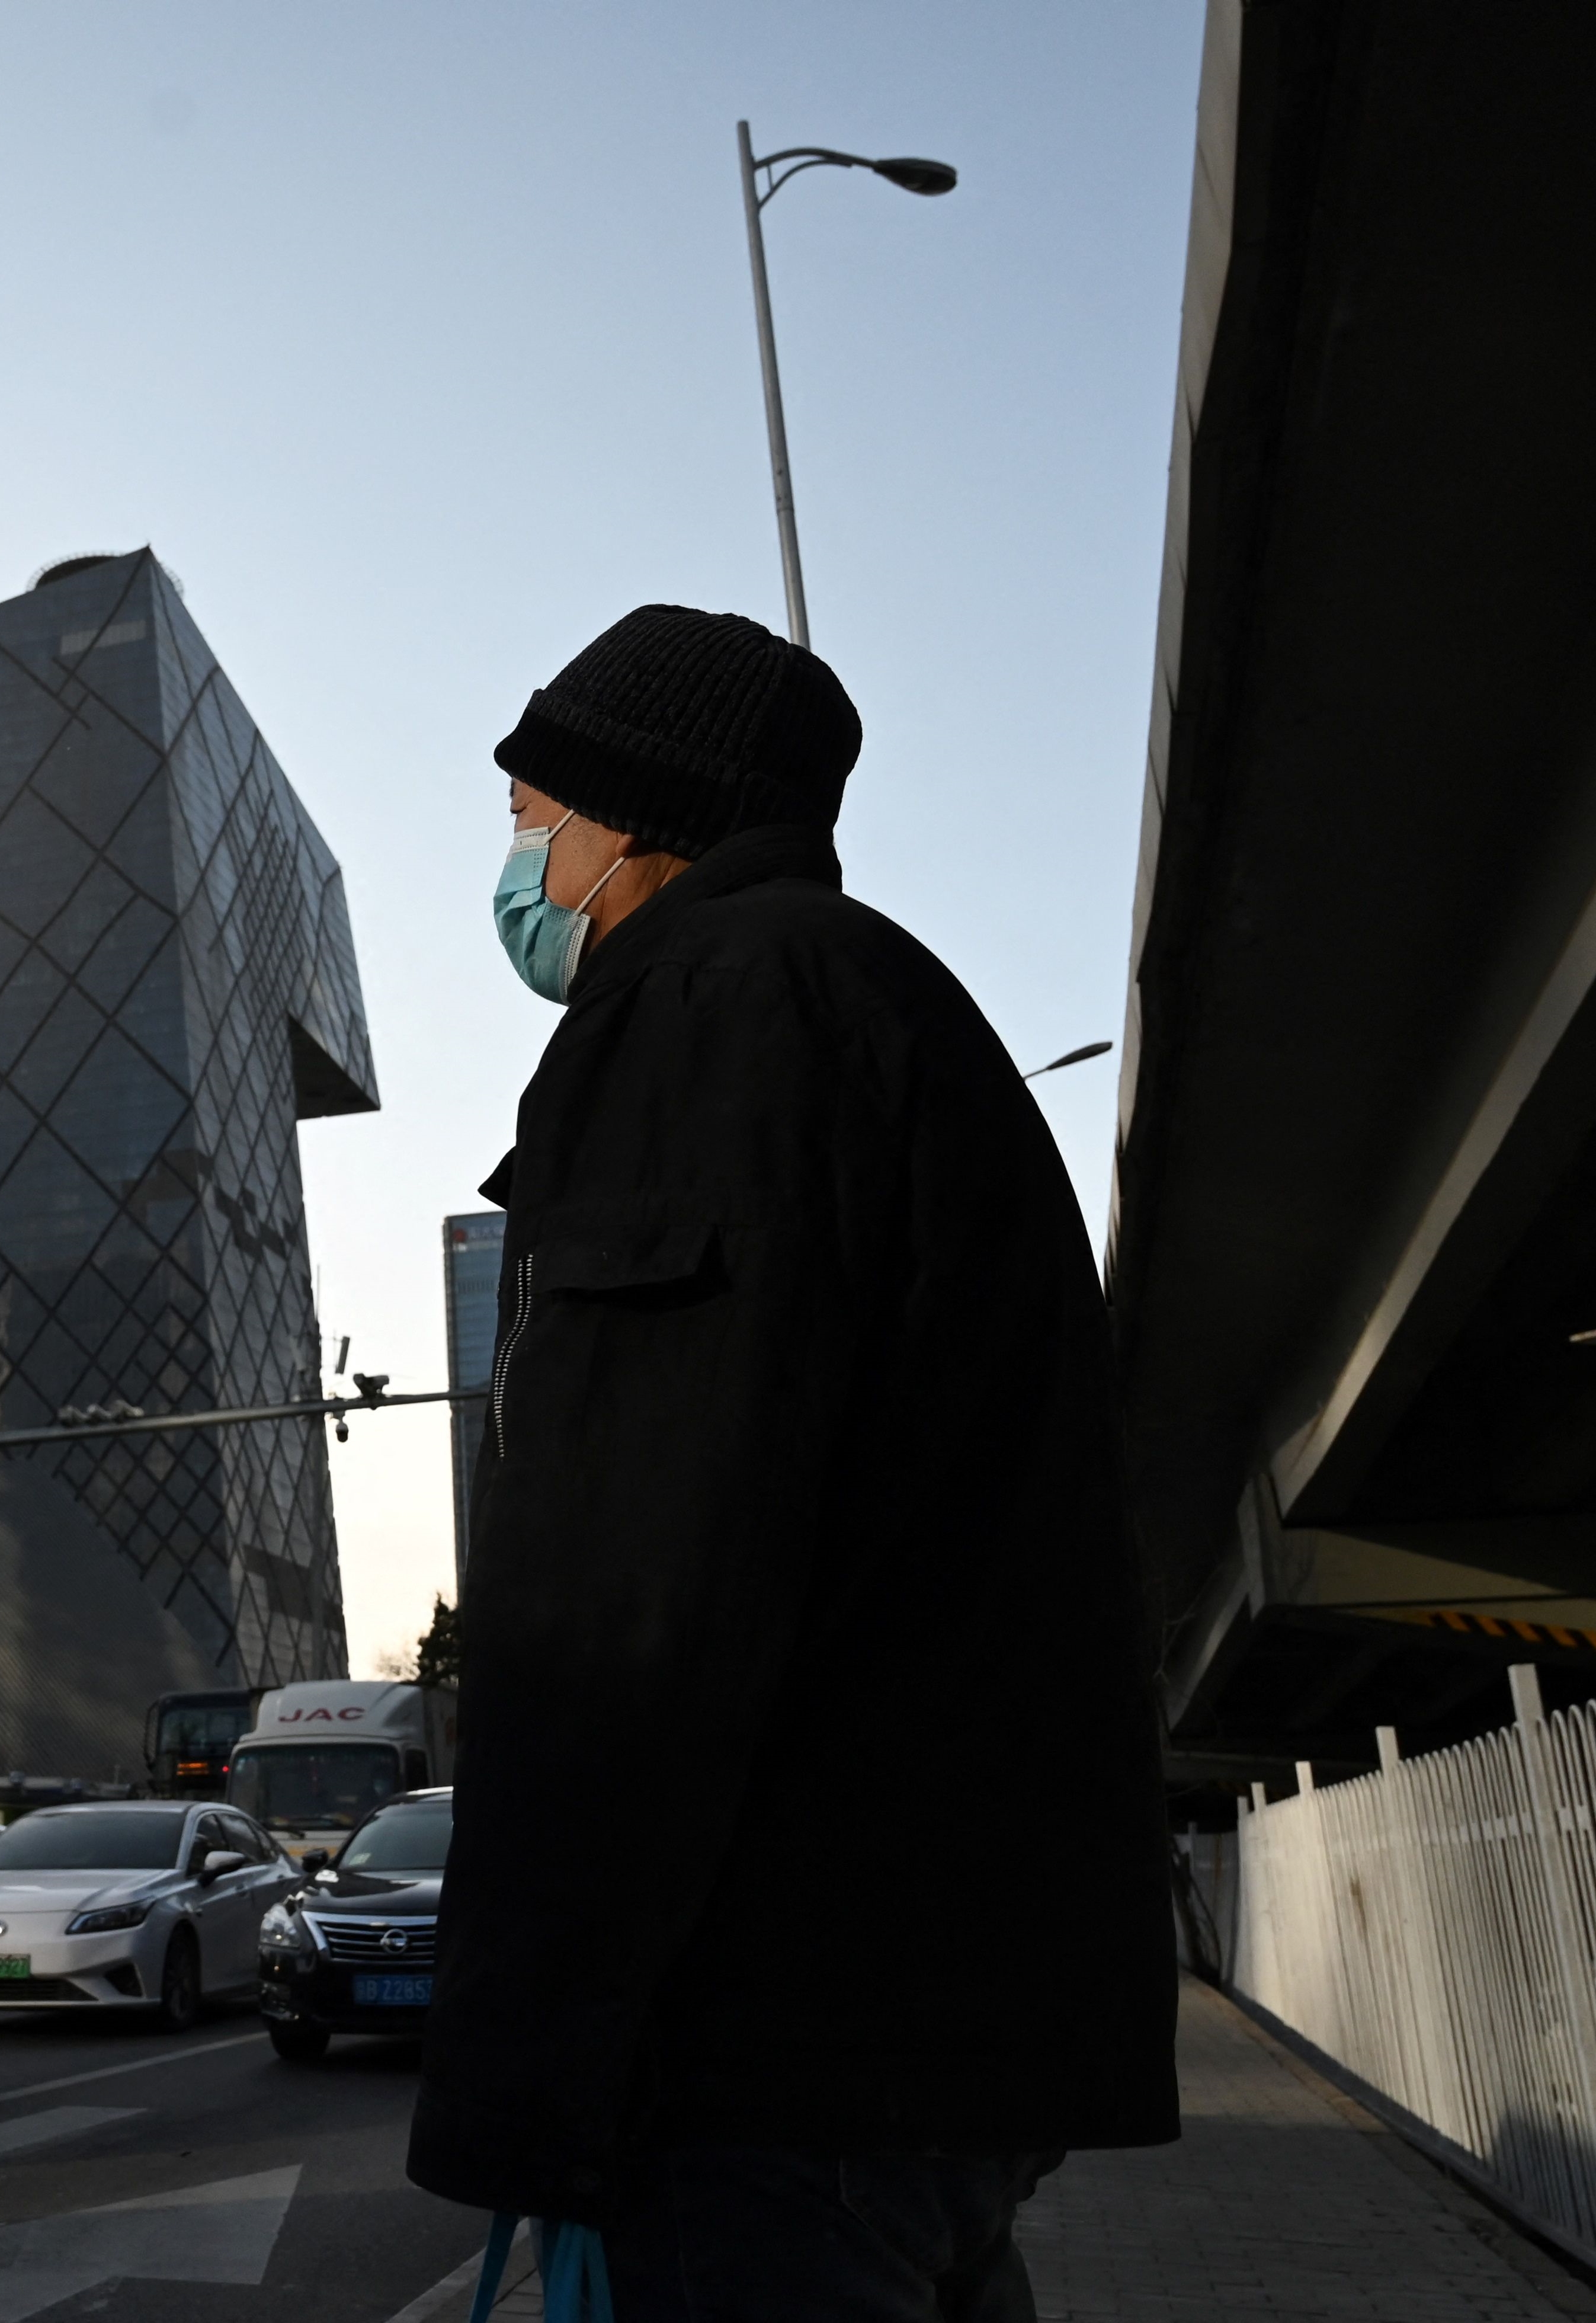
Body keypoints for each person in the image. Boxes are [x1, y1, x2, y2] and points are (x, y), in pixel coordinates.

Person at [410, 606, 1180, 2321]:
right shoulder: (886, 1005)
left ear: (632, 819)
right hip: (929, 2043)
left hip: (766, 2056)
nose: (522, 866)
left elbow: (633, 1584)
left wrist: (538, 2074)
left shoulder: (705, 1016)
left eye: (533, 821)